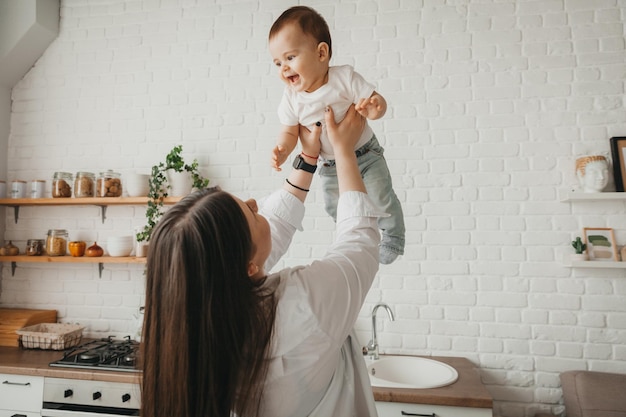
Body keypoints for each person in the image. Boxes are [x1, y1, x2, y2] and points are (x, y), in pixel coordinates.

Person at [140, 105, 385, 417]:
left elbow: (269, 228)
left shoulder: (195, 332)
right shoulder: (304, 304)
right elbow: (359, 240)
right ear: (248, 267)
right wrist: (344, 152)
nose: (258, 204)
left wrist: (308, 159)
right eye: (252, 212)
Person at [268, 5, 405, 264]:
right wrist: (283, 149)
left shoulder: (343, 78)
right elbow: (289, 131)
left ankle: (394, 236)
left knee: (381, 196)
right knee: (335, 207)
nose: (283, 68)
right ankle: (358, 234)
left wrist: (375, 108)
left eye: (290, 57)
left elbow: (374, 101)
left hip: (367, 154)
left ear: (321, 53)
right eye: (277, 62)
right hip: (330, 165)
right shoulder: (291, 99)